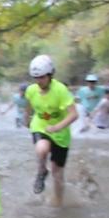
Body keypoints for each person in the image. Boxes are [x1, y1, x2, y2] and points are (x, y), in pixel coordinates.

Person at [23, 54, 80, 205]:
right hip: (41, 126)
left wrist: (57, 127)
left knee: (58, 174)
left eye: (42, 77)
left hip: (60, 133)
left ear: (50, 75)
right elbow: (28, 107)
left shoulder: (60, 90)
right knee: (41, 148)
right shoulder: (31, 90)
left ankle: (58, 201)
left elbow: (74, 114)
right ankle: (42, 171)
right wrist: (27, 120)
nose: (39, 81)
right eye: (36, 78)